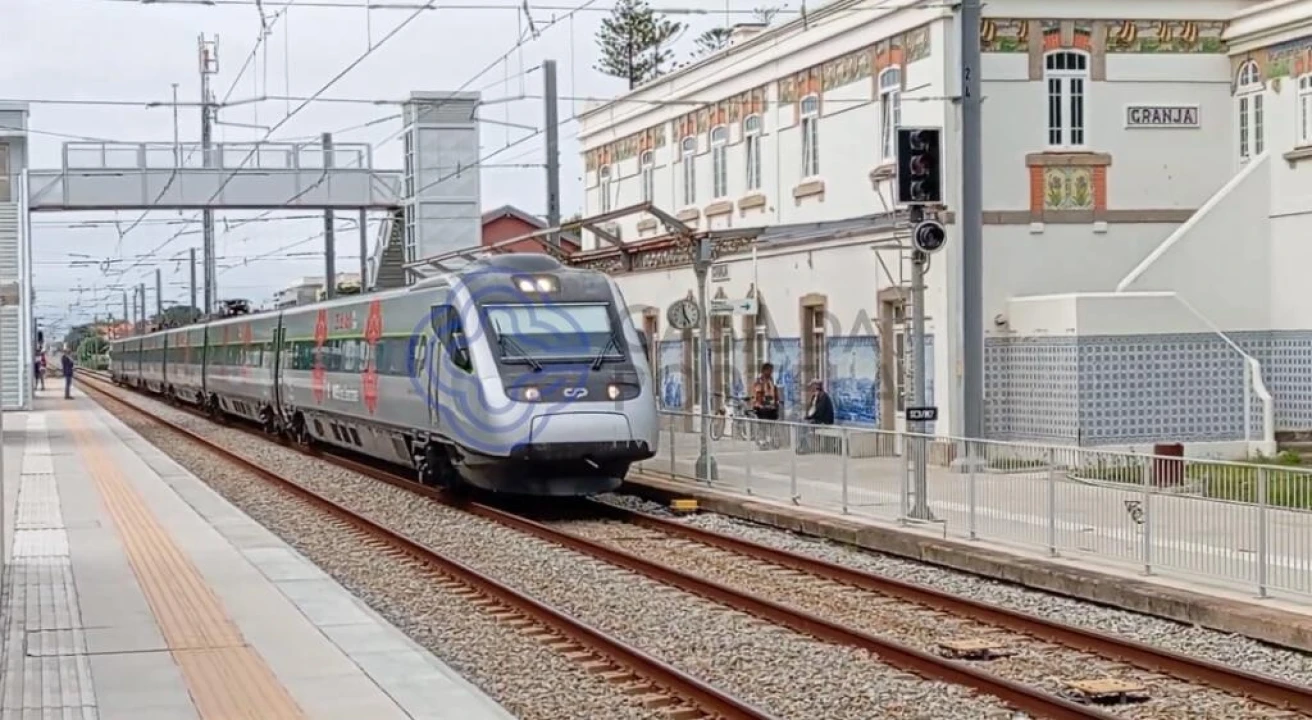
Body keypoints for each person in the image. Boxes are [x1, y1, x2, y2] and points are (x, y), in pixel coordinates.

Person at [796, 379, 836, 454]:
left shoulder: (823, 397)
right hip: (817, 420)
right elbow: (812, 410)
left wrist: (809, 418)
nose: (811, 389)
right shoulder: (815, 396)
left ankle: (805, 447)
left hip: (825, 421)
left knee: (806, 426)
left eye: (812, 387)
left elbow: (819, 412)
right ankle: (803, 446)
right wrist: (807, 417)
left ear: (817, 387)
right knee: (801, 424)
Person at [752, 362, 783, 448]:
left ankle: (770, 441)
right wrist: (760, 404)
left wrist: (777, 401)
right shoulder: (760, 380)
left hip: (771, 407)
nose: (771, 372)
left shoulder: (771, 379)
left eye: (772, 370)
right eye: (769, 370)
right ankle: (762, 442)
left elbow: (774, 391)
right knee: (763, 425)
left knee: (771, 425)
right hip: (762, 407)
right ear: (764, 370)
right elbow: (758, 393)